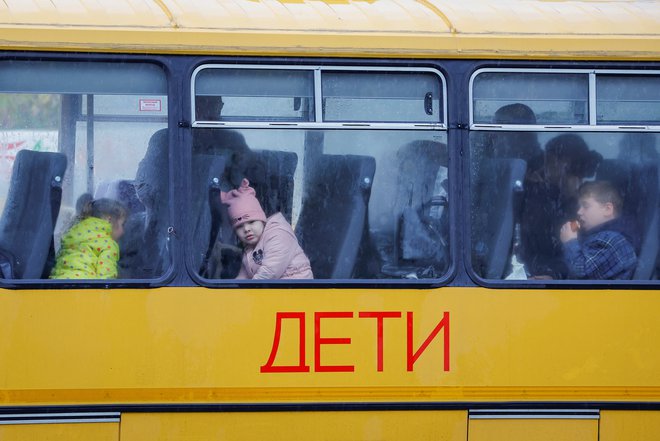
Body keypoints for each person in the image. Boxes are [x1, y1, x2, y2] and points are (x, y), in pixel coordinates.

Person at [520, 134, 602, 279]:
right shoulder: (553, 195)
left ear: (565, 164)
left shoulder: (583, 208)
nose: (544, 169)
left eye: (549, 162)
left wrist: (554, 275)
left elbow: (577, 253)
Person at [221, 179, 313, 279]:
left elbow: (270, 271)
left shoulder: (278, 234)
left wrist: (247, 292)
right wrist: (233, 290)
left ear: (262, 220)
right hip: (276, 291)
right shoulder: (250, 248)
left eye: (251, 222)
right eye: (239, 226)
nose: (246, 229)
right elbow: (244, 277)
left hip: (298, 290)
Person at [560, 181, 637, 280]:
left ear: (607, 209)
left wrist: (569, 242)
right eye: (579, 207)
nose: (579, 212)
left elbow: (581, 274)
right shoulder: (597, 237)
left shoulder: (612, 241)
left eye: (586, 206)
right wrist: (553, 277)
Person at [50, 197, 127, 279]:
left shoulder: (72, 234)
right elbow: (106, 280)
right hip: (84, 288)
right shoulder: (108, 244)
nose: (123, 231)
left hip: (58, 284)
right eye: (122, 224)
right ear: (109, 220)